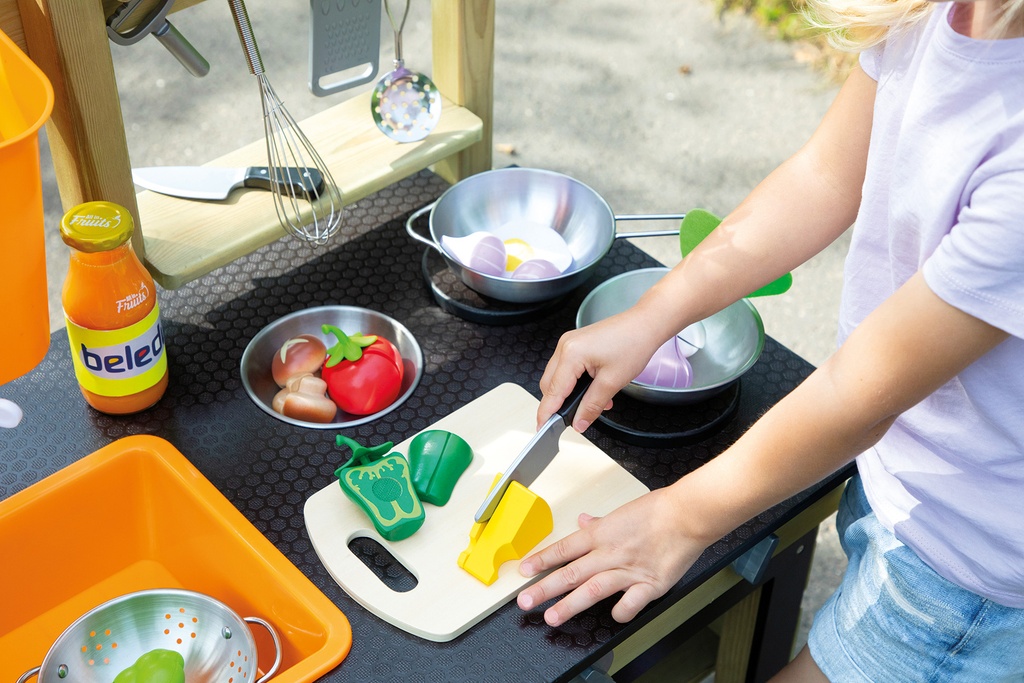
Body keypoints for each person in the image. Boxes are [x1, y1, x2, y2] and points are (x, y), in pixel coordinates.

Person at [515, 0, 1024, 679]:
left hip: (965, 563)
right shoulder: (938, 12)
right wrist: (654, 312)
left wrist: (683, 518)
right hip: (909, 468)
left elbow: (858, 393)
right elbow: (822, 178)